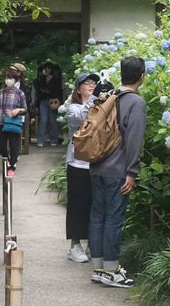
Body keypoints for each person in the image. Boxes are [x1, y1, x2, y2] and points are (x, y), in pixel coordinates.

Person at [89, 56, 147, 288]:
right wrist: (131, 172)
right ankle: (111, 271)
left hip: (96, 165)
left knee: (97, 216)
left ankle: (99, 268)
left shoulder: (108, 96)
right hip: (117, 170)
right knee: (114, 219)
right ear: (141, 77)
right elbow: (134, 140)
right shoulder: (135, 102)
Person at [66, 73, 99, 263]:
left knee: (94, 205)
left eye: (94, 83)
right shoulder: (73, 108)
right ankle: (75, 245)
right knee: (77, 205)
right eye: (87, 83)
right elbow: (80, 120)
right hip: (77, 163)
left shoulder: (99, 105)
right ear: (78, 89)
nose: (91, 86)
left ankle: (92, 245)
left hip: (96, 162)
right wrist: (94, 99)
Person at [0, 68, 27, 177]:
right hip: (1, 122)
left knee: (14, 145)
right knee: (2, 145)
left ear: (15, 80)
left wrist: (18, 110)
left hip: (14, 122)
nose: (8, 80)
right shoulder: (0, 92)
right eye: (7, 78)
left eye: (11, 78)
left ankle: (12, 166)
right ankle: (6, 161)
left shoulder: (20, 93)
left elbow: (25, 109)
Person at [36, 62, 63, 147]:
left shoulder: (56, 79)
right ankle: (41, 140)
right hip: (43, 100)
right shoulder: (41, 78)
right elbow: (38, 90)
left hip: (53, 101)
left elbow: (58, 90)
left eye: (47, 68)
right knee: (43, 120)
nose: (45, 70)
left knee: (53, 120)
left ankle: (54, 139)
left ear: (50, 69)